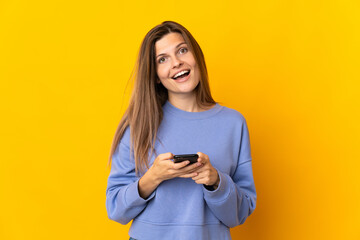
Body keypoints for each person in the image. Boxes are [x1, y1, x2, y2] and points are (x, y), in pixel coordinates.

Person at [106, 21, 256, 240]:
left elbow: (239, 214)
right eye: (162, 59)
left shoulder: (233, 123)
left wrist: (215, 181)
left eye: (182, 50)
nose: (176, 63)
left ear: (196, 56)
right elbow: (115, 209)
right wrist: (154, 177)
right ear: (156, 75)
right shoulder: (139, 125)